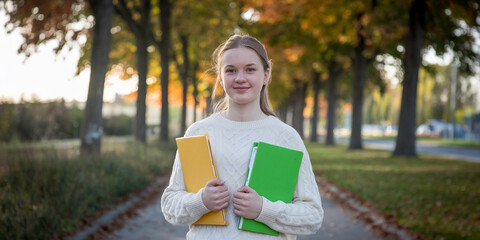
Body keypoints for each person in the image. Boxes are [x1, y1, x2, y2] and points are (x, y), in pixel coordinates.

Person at [161, 34, 324, 240]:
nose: (240, 78)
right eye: (230, 70)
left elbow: (313, 216)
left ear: (266, 75)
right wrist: (201, 201)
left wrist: (263, 209)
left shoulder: (285, 137)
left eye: (250, 69)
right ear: (220, 76)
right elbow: (169, 206)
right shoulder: (198, 132)